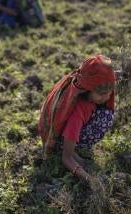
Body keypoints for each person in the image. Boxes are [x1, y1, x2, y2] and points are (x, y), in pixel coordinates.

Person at [38, 54, 120, 188]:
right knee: (105, 117)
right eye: (101, 93)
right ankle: (72, 147)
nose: (106, 97)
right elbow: (67, 159)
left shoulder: (84, 82)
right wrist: (89, 179)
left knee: (105, 115)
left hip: (71, 131)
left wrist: (120, 73)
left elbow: (107, 78)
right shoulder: (78, 112)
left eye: (109, 91)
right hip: (61, 141)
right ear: (88, 89)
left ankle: (77, 151)